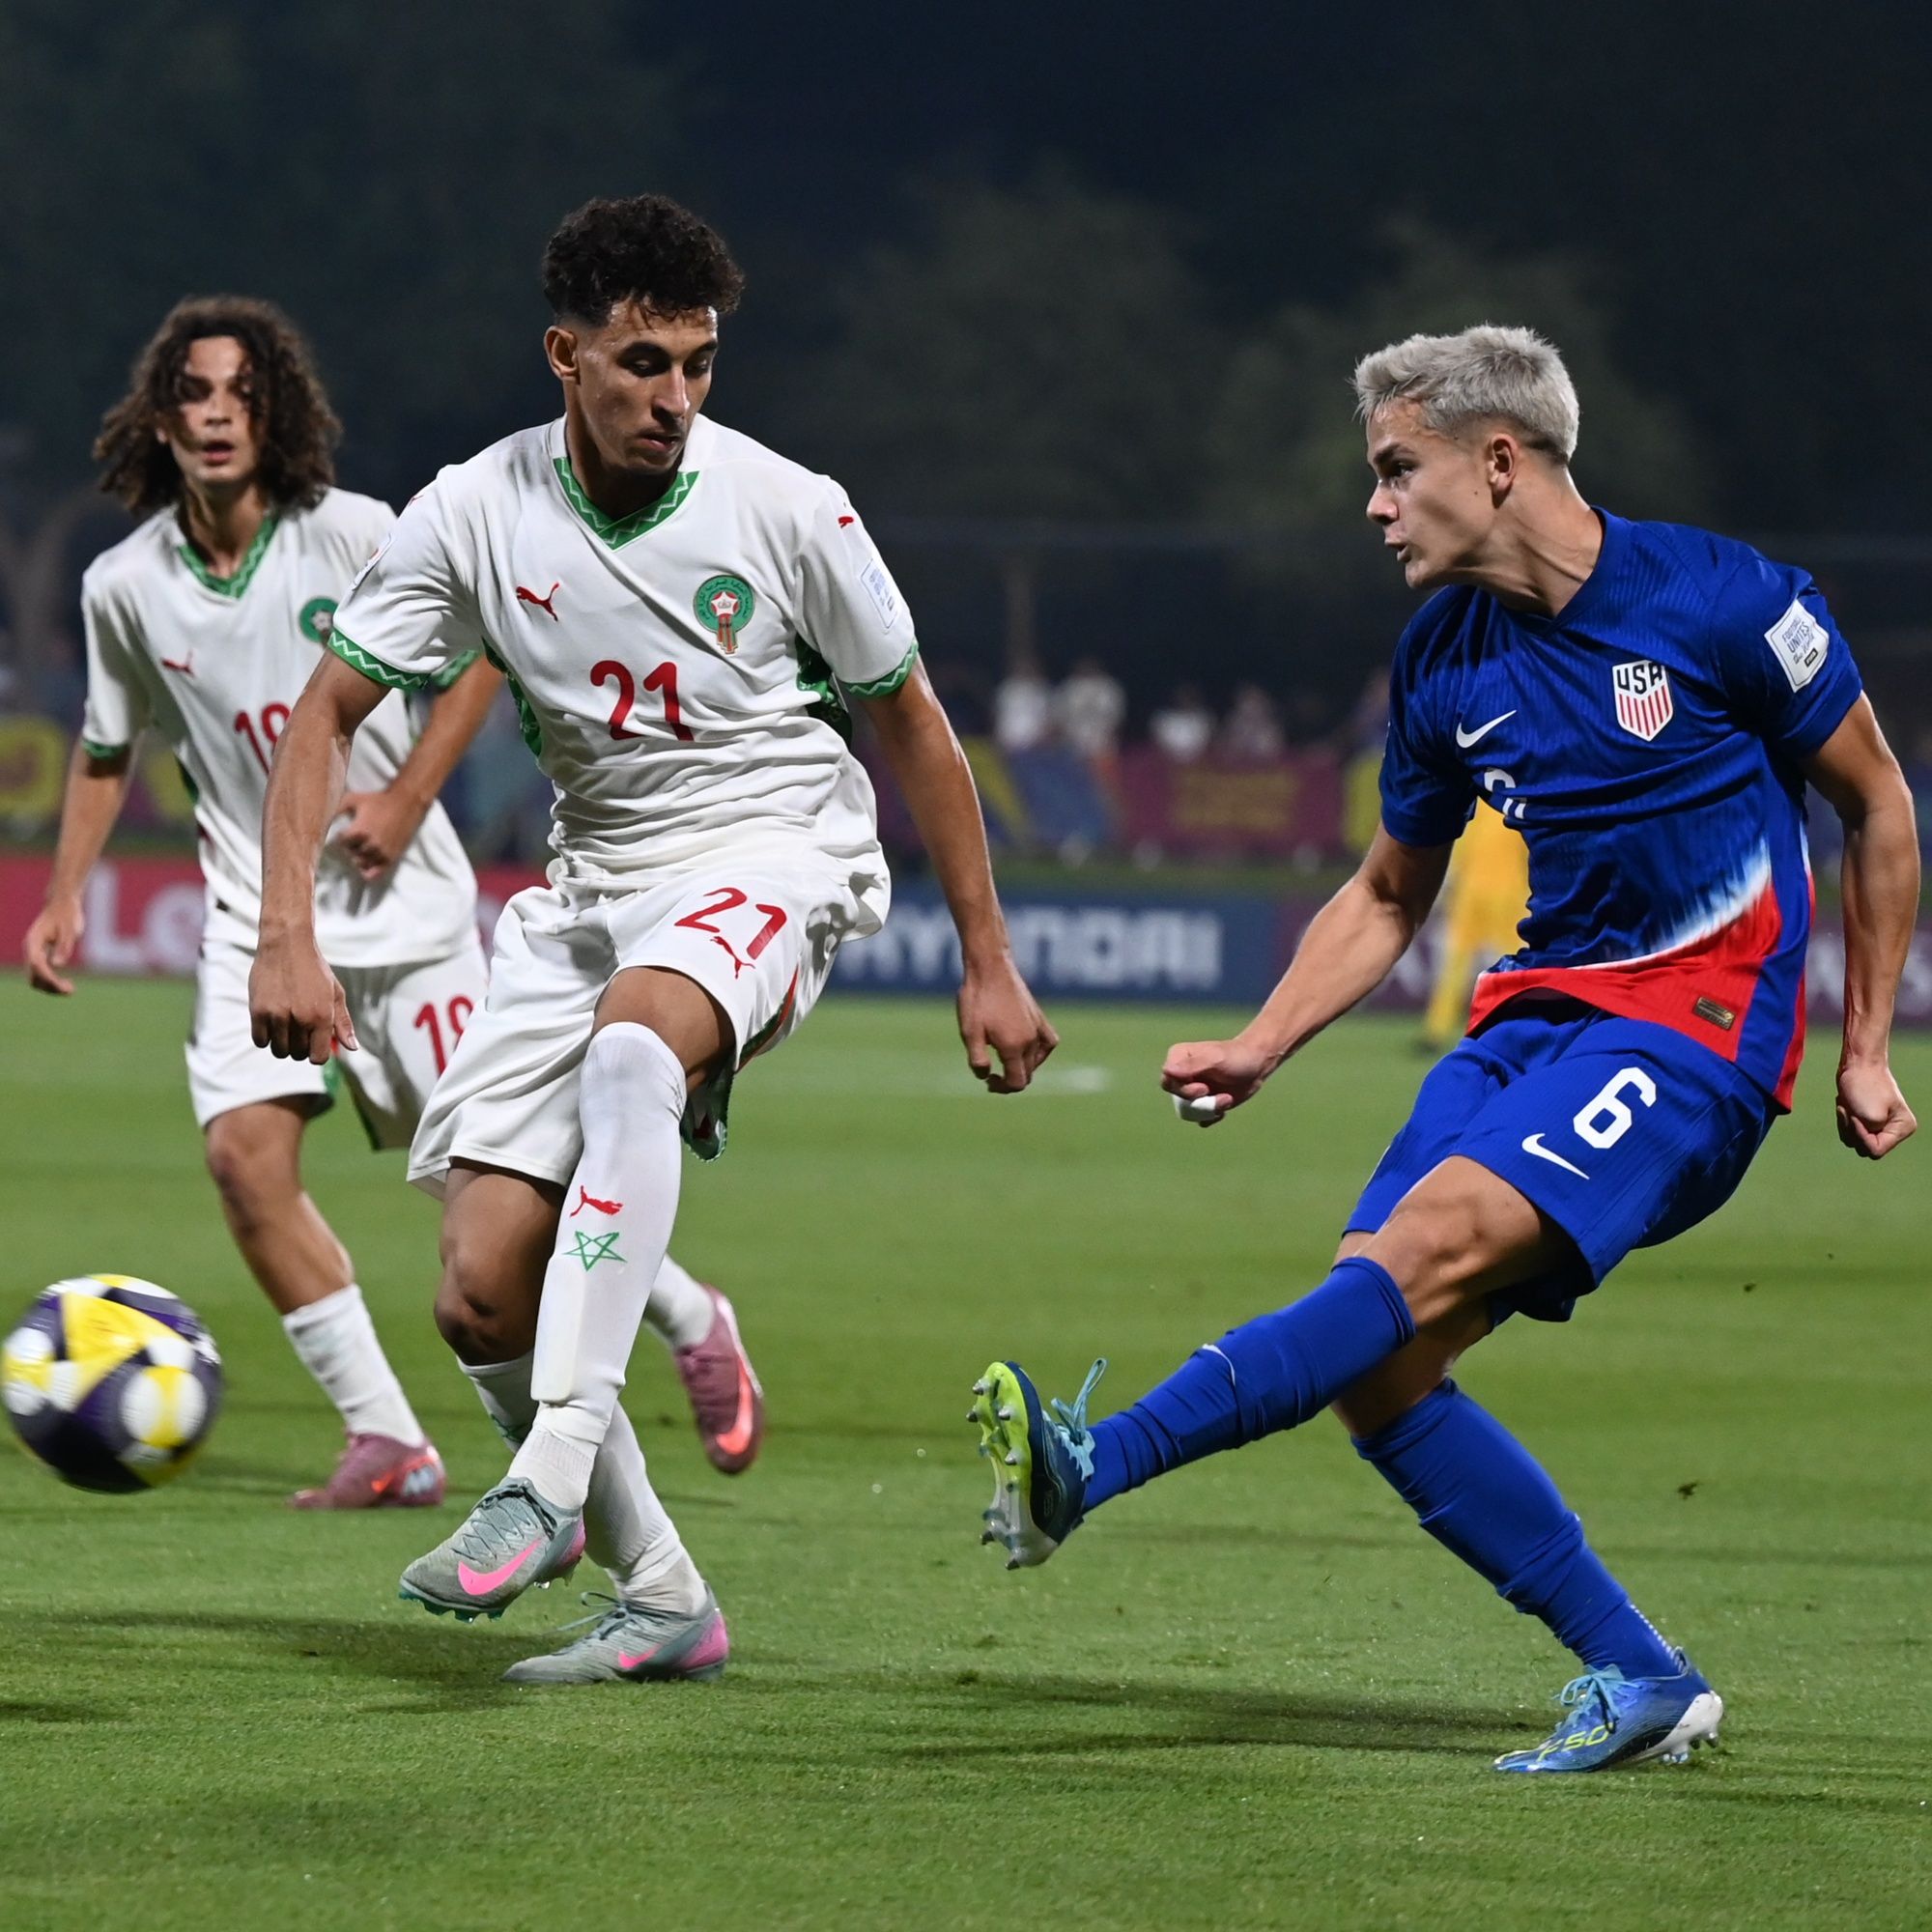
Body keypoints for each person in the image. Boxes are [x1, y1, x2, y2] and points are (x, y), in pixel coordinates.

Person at [972, 325, 1918, 1773]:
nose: (1375, 504)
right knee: (1380, 1360)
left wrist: (1865, 1044)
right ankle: (1640, 1673)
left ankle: (1095, 1465)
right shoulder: (1440, 657)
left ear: (1500, 459)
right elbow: (1384, 892)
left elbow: (1878, 802)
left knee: (1408, 1265)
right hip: (1528, 1028)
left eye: (1395, 469)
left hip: (1693, 1039)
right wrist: (1264, 1041)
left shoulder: (1726, 598)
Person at [250, 195, 1055, 1685]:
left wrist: (986, 955)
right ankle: (665, 1595)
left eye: (699, 364)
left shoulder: (791, 508)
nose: (676, 398)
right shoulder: (473, 510)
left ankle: (550, 1471)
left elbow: (912, 721)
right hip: (593, 886)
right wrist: (282, 936)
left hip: (773, 843)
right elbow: (328, 713)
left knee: (636, 1055)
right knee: (480, 1289)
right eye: (642, 364)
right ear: (566, 357)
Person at [24, 298, 760, 1510]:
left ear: (277, 413)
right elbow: (107, 750)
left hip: (405, 919)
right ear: (160, 419)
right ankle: (387, 1436)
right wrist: (64, 896)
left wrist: (413, 794)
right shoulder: (124, 585)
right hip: (257, 920)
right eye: (195, 393)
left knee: (488, 1190)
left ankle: (687, 1311)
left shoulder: (358, 532)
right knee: (244, 1161)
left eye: (243, 392)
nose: (218, 415)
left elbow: (484, 647)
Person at [1418, 798, 1530, 1052]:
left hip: (1494, 895)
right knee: (1468, 963)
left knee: (1507, 964)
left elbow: (1458, 849)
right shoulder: (1514, 804)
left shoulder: (1478, 803)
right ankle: (1437, 1030)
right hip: (1488, 895)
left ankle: (1518, 1024)